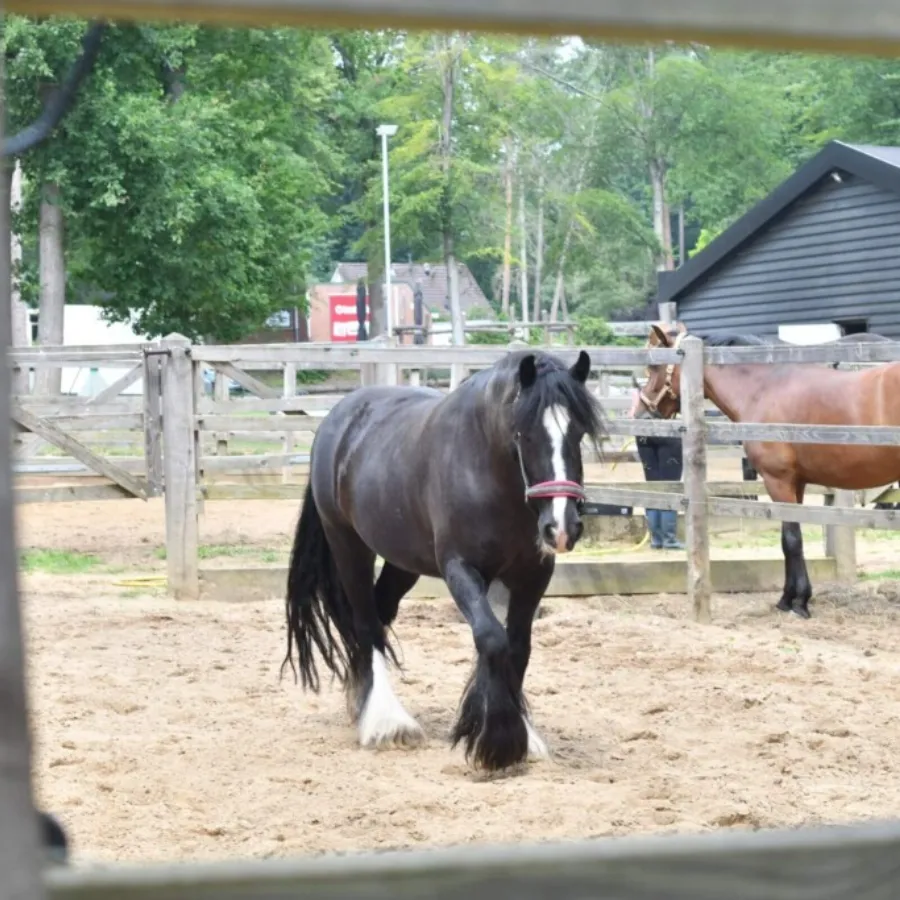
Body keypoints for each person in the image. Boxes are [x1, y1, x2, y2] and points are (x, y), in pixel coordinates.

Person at [628, 387, 685, 550]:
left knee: (652, 484)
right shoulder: (672, 376)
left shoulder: (646, 384)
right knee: (669, 486)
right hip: (667, 429)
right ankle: (669, 539)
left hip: (642, 430)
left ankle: (657, 538)